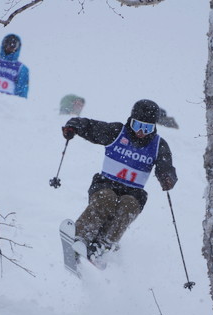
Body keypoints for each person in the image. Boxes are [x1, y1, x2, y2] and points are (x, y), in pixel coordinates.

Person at [61, 99, 177, 261]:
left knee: (128, 205)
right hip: (105, 183)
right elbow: (91, 127)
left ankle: (104, 245)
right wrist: (74, 126)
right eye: (138, 126)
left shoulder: (158, 145)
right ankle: (81, 236)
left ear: (154, 127)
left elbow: (166, 167)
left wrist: (167, 178)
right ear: (131, 121)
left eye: (147, 128)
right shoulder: (116, 132)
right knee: (107, 199)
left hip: (134, 192)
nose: (141, 132)